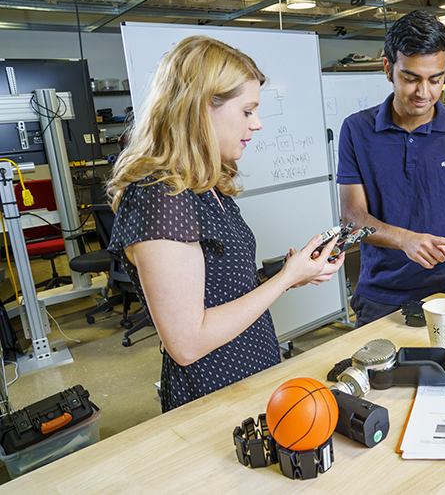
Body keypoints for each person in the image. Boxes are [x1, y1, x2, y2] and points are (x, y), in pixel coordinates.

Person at [106, 36, 343, 412]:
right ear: (201, 108)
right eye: (247, 111)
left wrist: (291, 274)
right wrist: (283, 281)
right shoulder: (161, 197)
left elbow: (223, 291)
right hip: (213, 393)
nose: (258, 123)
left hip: (252, 372)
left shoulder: (204, 186)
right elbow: (186, 343)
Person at [337, 10, 445, 328]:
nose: (423, 92)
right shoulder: (357, 130)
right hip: (378, 298)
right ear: (389, 69)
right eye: (411, 78)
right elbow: (352, 218)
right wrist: (405, 240)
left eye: (435, 79)